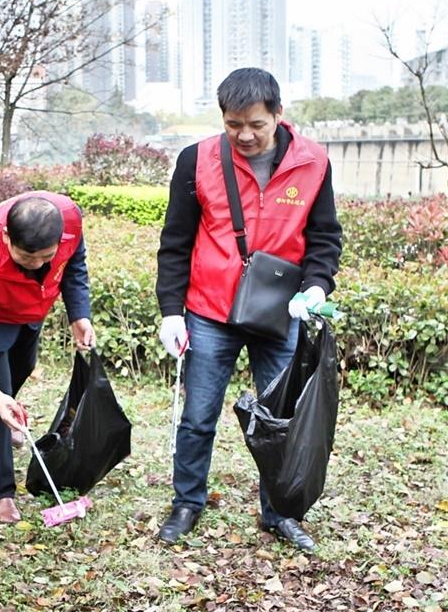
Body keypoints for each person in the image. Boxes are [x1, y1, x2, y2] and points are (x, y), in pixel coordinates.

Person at [155, 67, 342, 551]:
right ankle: (187, 502)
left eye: (256, 124)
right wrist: (170, 310)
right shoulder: (196, 161)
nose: (244, 135)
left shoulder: (313, 163)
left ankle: (280, 513)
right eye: (233, 123)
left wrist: (318, 286)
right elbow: (175, 242)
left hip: (280, 313)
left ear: (278, 114)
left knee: (281, 421)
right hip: (209, 310)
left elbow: (324, 239)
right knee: (198, 416)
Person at [0, 192, 95, 524]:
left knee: (23, 367)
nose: (40, 265)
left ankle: (6, 414)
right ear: (6, 237)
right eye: (28, 258)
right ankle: (1, 493)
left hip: (30, 310)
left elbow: (74, 267)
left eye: (47, 257)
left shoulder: (70, 221)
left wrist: (78, 316)